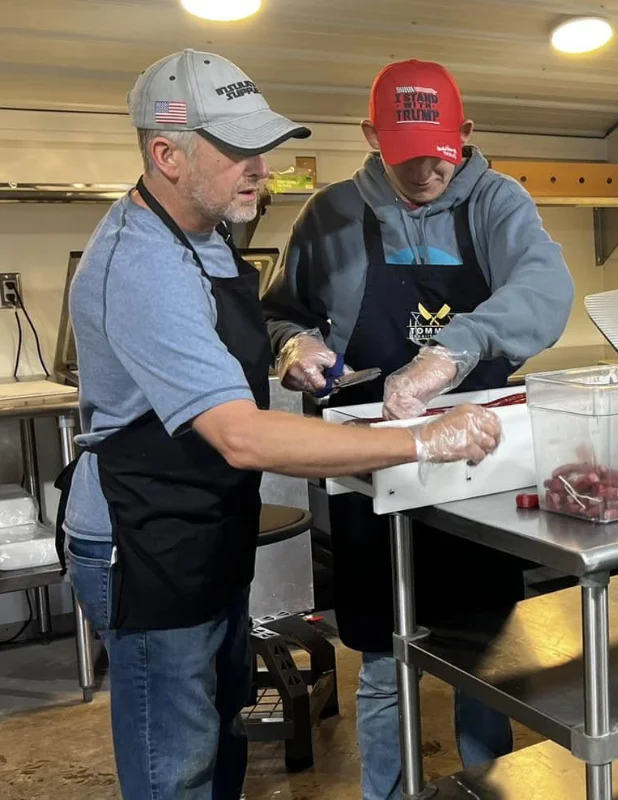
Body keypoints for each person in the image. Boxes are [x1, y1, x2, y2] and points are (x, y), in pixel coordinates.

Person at [56, 49, 502, 800]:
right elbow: (244, 435)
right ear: (165, 154)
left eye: (260, 147)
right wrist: (422, 439)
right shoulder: (140, 265)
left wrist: (290, 347)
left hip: (201, 529)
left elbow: (235, 349)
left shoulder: (203, 234)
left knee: (218, 735)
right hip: (143, 543)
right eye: (236, 150)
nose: (261, 168)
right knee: (176, 766)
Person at [263, 58, 574, 800]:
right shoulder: (330, 214)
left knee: (484, 652)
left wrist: (449, 353)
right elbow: (281, 310)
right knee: (380, 657)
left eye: (440, 153)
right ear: (372, 136)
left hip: (477, 465)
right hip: (369, 468)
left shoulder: (499, 202)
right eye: (406, 157)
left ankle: (485, 787)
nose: (426, 172)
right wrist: (293, 346)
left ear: (463, 134)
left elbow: (544, 289)